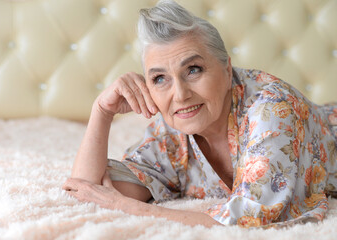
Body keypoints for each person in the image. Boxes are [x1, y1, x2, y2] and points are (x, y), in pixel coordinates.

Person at [63, 0, 337, 228]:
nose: (180, 94)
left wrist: (128, 208)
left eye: (193, 70)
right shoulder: (173, 131)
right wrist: (101, 111)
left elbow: (252, 218)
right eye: (160, 79)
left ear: (227, 69)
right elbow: (87, 189)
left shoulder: (272, 109)